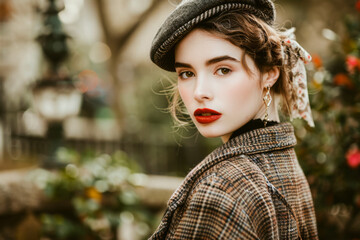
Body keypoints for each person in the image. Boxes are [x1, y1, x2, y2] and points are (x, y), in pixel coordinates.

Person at [149, 0, 318, 239]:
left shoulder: (219, 189)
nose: (199, 92)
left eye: (223, 69)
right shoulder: (284, 161)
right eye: (187, 73)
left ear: (269, 73)